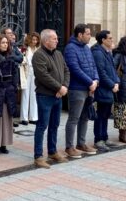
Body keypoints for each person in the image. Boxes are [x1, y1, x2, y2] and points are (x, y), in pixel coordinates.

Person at [32, 29, 70, 169]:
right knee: (42, 126)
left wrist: (64, 86)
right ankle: (38, 156)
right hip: (45, 96)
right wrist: (59, 88)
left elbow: (66, 70)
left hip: (58, 95)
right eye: (54, 38)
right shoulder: (39, 55)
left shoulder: (58, 54)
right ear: (46, 40)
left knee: (55, 124)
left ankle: (52, 152)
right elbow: (43, 75)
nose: (57, 40)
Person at [63, 24, 98, 158]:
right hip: (77, 88)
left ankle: (81, 143)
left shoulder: (87, 48)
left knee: (85, 117)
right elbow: (74, 68)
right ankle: (69, 146)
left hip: (90, 88)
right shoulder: (70, 48)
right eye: (88, 34)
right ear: (80, 35)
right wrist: (90, 82)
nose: (90, 36)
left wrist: (95, 80)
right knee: (74, 118)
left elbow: (93, 66)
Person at [91, 30, 120, 151]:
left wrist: (117, 81)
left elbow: (113, 70)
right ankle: (99, 140)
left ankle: (105, 137)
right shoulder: (98, 53)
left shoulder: (107, 52)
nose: (112, 40)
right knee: (101, 115)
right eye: (110, 38)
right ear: (103, 40)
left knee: (106, 114)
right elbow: (101, 72)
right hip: (103, 89)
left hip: (110, 88)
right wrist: (112, 85)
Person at [20, 32, 39, 125]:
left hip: (35, 72)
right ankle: (24, 117)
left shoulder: (38, 49)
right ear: (29, 40)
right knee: (25, 94)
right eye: (33, 39)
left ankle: (33, 117)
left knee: (34, 94)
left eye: (36, 40)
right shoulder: (25, 49)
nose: (34, 41)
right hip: (26, 72)